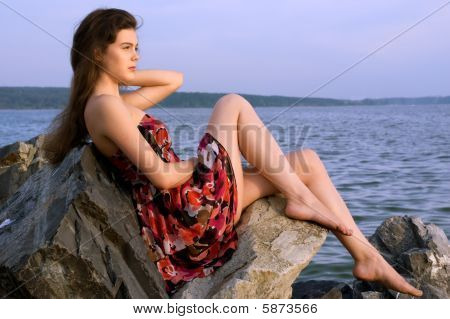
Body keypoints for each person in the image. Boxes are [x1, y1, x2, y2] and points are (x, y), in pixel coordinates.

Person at [42, 7, 422, 297]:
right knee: (233, 102)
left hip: (192, 208)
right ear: (95, 51)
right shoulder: (105, 107)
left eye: (137, 48)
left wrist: (123, 71)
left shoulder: (115, 101)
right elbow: (160, 175)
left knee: (306, 161)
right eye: (125, 48)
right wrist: (198, 163)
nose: (136, 56)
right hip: (187, 220)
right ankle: (299, 198)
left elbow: (175, 79)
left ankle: (366, 257)